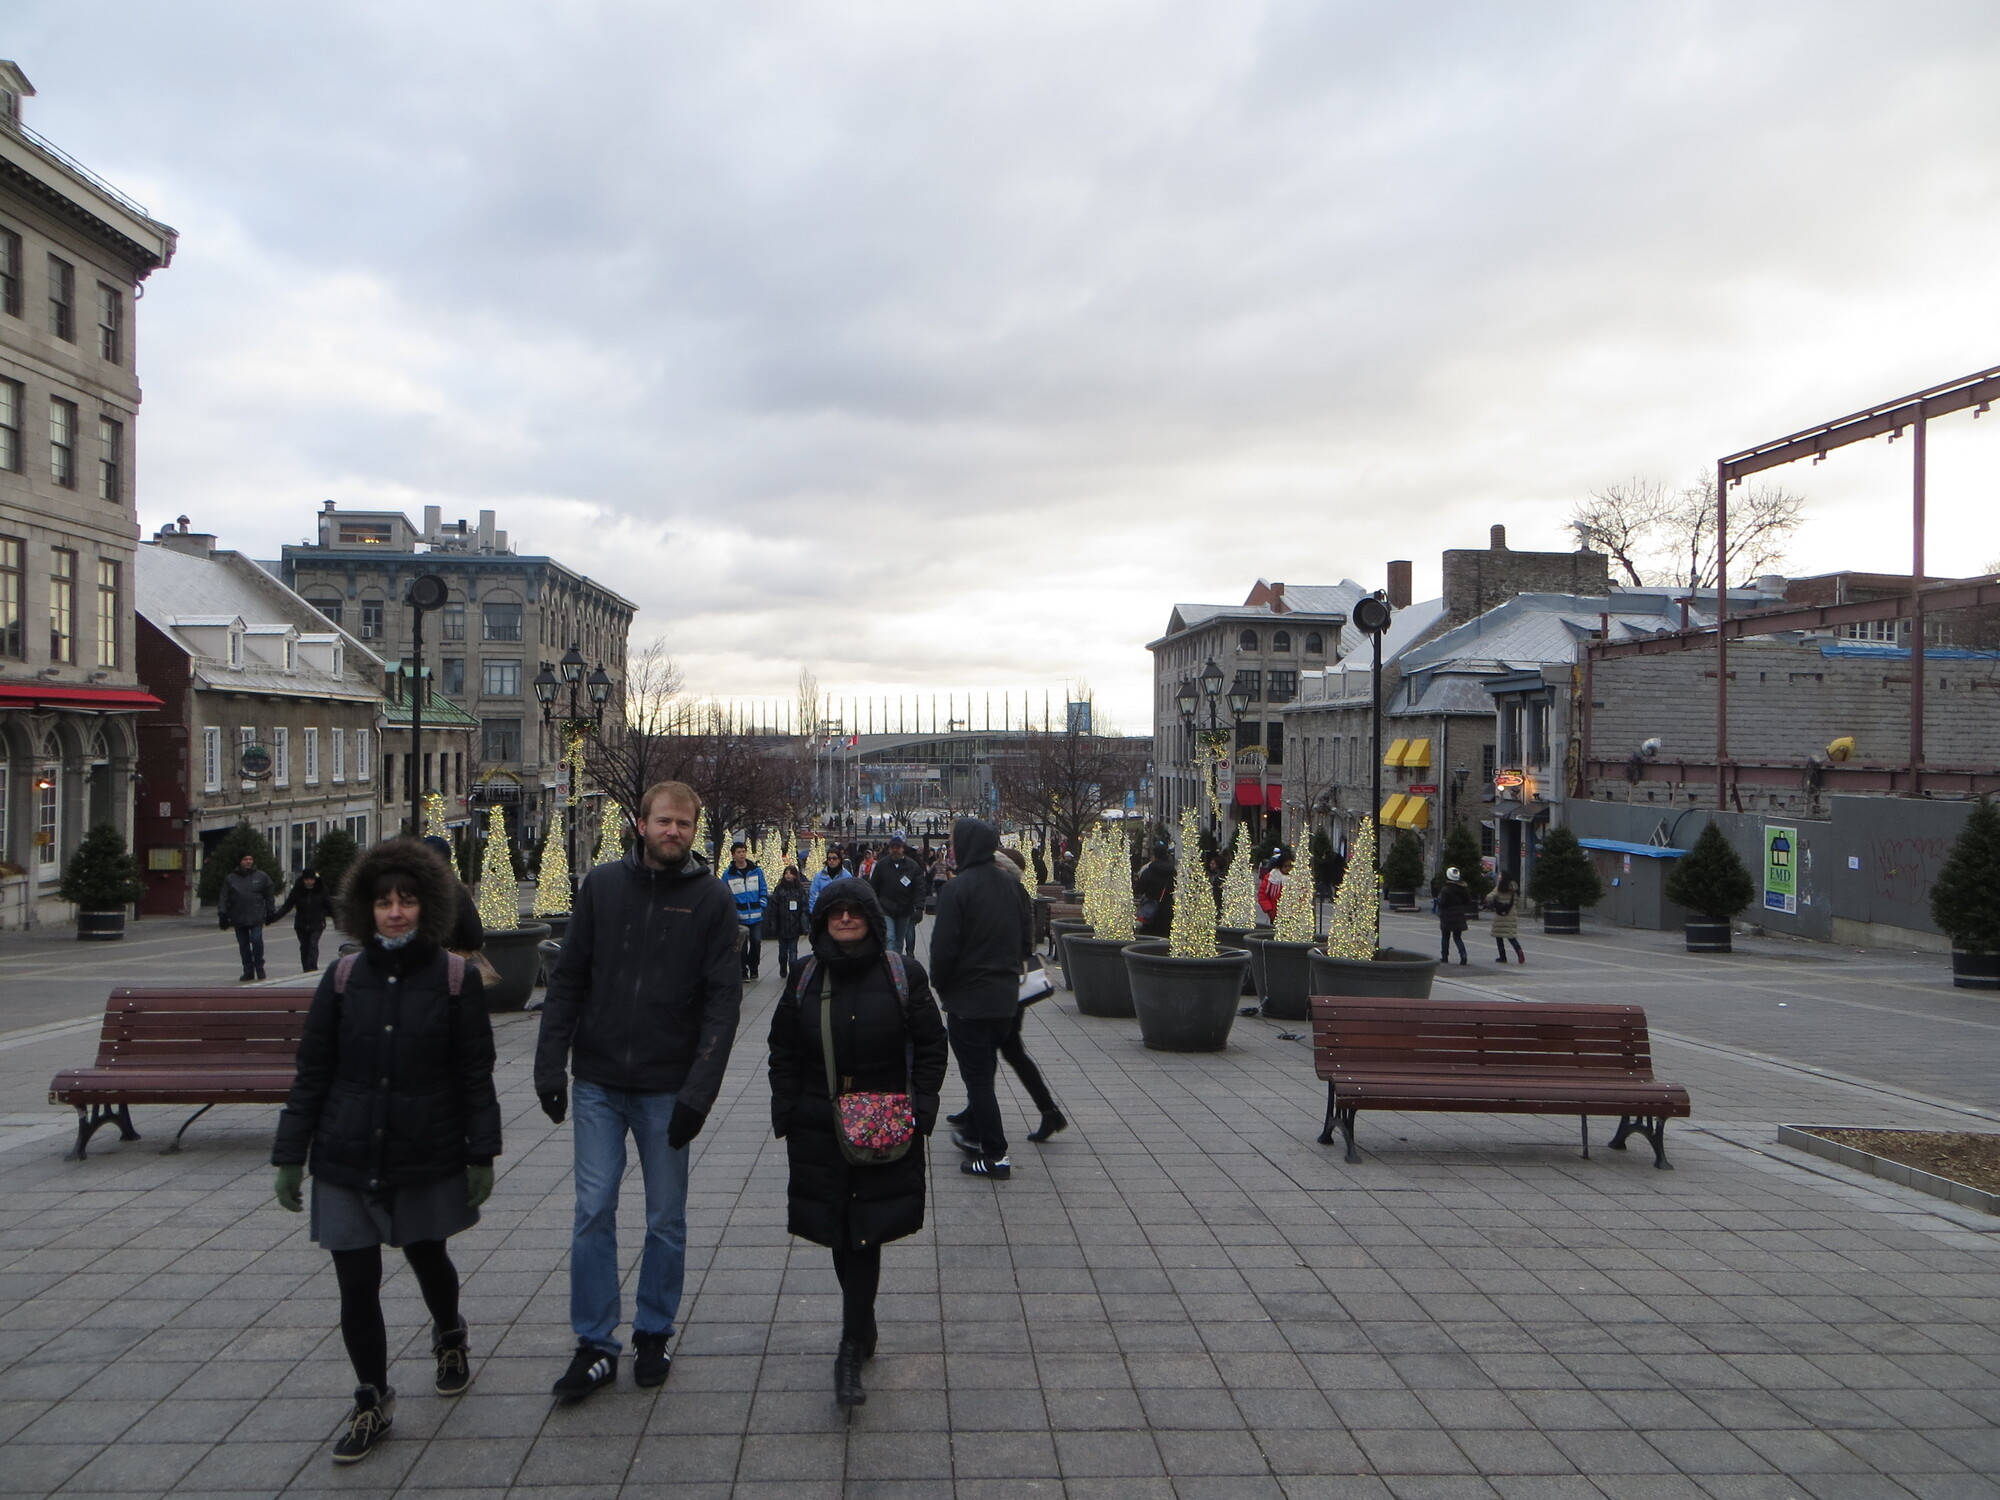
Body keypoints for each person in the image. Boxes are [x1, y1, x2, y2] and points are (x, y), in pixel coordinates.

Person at [270, 838, 500, 1466]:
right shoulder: (344, 977)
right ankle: (371, 1396)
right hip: (345, 1149)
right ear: (365, 910)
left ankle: (449, 1333)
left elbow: (475, 1075)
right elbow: (313, 1070)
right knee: (355, 1280)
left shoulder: (454, 979)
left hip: (424, 1146)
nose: (395, 913)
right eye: (383, 903)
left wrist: (481, 1152)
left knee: (428, 1255)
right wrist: (290, 1154)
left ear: (427, 906)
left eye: (406, 901)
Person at [534, 781, 742, 1399]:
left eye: (684, 823)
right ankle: (595, 1343)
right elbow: (568, 979)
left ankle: (653, 1330)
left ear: (695, 830)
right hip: (599, 1079)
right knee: (593, 1210)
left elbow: (722, 1003)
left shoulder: (710, 900)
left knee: (665, 1219)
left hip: (667, 1085)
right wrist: (550, 1065)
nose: (673, 831)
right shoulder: (602, 887)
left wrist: (699, 1093)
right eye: (664, 821)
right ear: (641, 824)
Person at [767, 877, 947, 1408]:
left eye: (854, 911)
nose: (845, 919)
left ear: (870, 917)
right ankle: (862, 1324)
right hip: (818, 1123)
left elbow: (932, 1044)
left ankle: (850, 1345)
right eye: (835, 911)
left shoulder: (902, 974)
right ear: (822, 920)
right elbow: (782, 1048)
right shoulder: (805, 974)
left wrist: (922, 1109)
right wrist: (788, 1109)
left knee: (864, 1233)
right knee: (838, 1231)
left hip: (882, 1124)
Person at [927, 817, 1034, 1180]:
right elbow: (1027, 942)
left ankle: (995, 1155)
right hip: (1005, 999)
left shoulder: (957, 890)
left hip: (969, 1001)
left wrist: (941, 986)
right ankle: (974, 1131)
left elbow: (943, 950)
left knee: (978, 1080)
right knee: (984, 1071)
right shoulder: (1012, 885)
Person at [950, 846, 1065, 1145]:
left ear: (1005, 869)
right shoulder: (1009, 892)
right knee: (1008, 1051)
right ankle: (1045, 1111)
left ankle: (980, 1117)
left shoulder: (1013, 894)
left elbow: (1022, 941)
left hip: (1006, 986)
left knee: (992, 1052)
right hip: (1005, 985)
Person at [219, 851, 277, 981]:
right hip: (238, 916)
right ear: (240, 861)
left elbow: (269, 895)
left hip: (256, 916)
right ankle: (248, 970)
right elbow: (224, 897)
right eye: (245, 859)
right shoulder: (231, 878)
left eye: (250, 859)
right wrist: (222, 914)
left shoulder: (262, 876)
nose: (248, 861)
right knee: (243, 944)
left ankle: (259, 966)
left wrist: (270, 911)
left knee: (256, 940)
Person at [868, 831, 927, 958]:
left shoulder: (912, 866)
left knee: (899, 941)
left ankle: (897, 962)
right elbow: (874, 886)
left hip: (904, 910)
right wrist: (873, 905)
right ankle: (891, 963)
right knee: (890, 938)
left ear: (902, 848)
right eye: (892, 848)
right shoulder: (881, 865)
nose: (895, 850)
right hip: (886, 909)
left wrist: (919, 908)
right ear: (889, 849)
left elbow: (920, 888)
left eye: (897, 847)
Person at [274, 867, 337, 972]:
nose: (309, 882)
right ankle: (306, 968)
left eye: (311, 879)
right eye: (307, 879)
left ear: (315, 880)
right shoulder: (297, 890)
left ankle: (312, 968)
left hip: (317, 923)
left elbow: (330, 906)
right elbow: (287, 906)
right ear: (303, 879)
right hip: (301, 924)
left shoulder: (322, 890)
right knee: (304, 947)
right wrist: (275, 917)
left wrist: (337, 920)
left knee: (313, 945)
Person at [725, 841, 770, 980]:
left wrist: (762, 905)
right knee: (742, 947)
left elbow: (763, 889)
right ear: (733, 855)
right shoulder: (728, 874)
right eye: (738, 852)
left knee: (756, 942)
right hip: (739, 917)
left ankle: (754, 967)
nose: (742, 854)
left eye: (743, 851)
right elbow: (725, 895)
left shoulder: (756, 871)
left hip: (756, 915)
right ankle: (743, 971)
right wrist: (732, 911)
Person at [773, 863, 811, 979]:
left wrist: (804, 924)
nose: (788, 875)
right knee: (783, 952)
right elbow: (774, 907)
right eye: (786, 873)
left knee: (793, 952)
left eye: (791, 873)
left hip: (795, 925)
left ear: (795, 875)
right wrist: (773, 923)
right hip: (782, 925)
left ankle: (793, 971)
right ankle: (783, 967)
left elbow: (804, 907)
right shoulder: (779, 889)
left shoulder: (799, 890)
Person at [1134, 841, 1176, 940]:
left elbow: (1139, 889)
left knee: (1148, 939)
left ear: (1154, 855)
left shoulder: (1148, 872)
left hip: (1150, 910)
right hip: (1167, 909)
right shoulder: (1172, 871)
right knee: (1165, 938)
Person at [1436, 865, 1474, 966]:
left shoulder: (1446, 889)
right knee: (1457, 937)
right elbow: (1468, 901)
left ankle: (1444, 957)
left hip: (1447, 915)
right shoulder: (1463, 888)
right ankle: (1463, 955)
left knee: (1445, 936)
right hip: (1459, 915)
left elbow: (1442, 903)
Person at [1489, 870, 1526, 965]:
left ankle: (1502, 956)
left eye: (1500, 875)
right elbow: (1518, 902)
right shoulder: (1514, 888)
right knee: (1511, 936)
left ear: (1503, 877)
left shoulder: (1499, 887)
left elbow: (1489, 897)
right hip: (1511, 914)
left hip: (1500, 915)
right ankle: (1519, 951)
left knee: (1499, 936)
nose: (1499, 876)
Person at [1257, 848, 1294, 924]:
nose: (1288, 868)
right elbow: (1262, 894)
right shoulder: (1271, 877)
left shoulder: (1297, 878)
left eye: (1290, 866)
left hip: (1293, 915)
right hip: (1275, 915)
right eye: (1285, 866)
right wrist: (1269, 909)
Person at [810, 846, 850, 911]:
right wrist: (814, 912)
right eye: (829, 859)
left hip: (841, 910)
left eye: (834, 858)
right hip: (823, 910)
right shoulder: (819, 876)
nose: (831, 860)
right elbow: (813, 896)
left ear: (839, 860)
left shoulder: (847, 875)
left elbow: (850, 895)